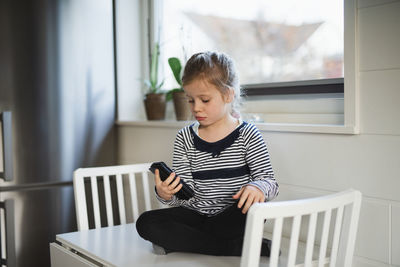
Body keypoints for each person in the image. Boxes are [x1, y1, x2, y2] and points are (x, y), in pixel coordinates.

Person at [136, 51, 279, 256]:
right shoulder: (184, 137)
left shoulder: (248, 133)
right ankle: (232, 247)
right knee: (146, 223)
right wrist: (166, 194)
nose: (196, 108)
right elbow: (184, 198)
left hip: (233, 216)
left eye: (204, 100)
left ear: (228, 95)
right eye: (191, 100)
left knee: (254, 208)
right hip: (196, 214)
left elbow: (270, 183)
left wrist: (258, 187)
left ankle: (188, 242)